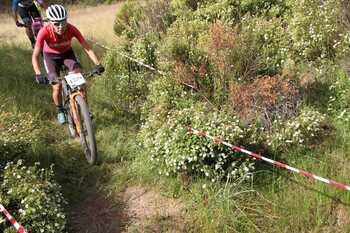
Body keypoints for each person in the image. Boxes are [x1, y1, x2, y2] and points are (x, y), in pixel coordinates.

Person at [32, 4, 105, 124]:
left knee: (79, 79)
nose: (61, 26)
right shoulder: (44, 32)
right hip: (51, 57)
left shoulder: (71, 29)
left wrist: (98, 64)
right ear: (50, 22)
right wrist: (38, 74)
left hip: (67, 54)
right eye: (56, 23)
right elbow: (35, 55)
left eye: (63, 22)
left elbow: (87, 48)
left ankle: (85, 108)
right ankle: (60, 110)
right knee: (57, 86)